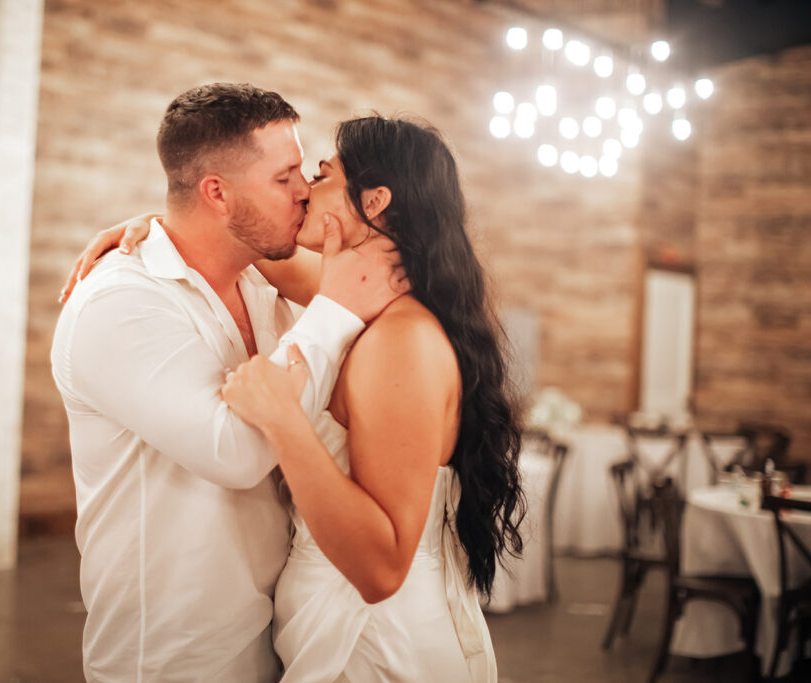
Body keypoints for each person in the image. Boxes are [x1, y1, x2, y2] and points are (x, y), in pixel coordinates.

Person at [67, 115, 525, 682]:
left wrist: (285, 422)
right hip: (315, 620)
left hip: (375, 636)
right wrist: (161, 225)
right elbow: (234, 239)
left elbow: (382, 569)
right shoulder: (358, 296)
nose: (306, 189)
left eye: (321, 174)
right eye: (293, 177)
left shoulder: (400, 339)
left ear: (375, 201)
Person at [51, 84, 406, 682]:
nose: (305, 192)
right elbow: (239, 452)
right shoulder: (118, 303)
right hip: (176, 654)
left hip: (279, 631)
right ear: (216, 192)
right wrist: (337, 310)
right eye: (284, 177)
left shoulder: (263, 286)